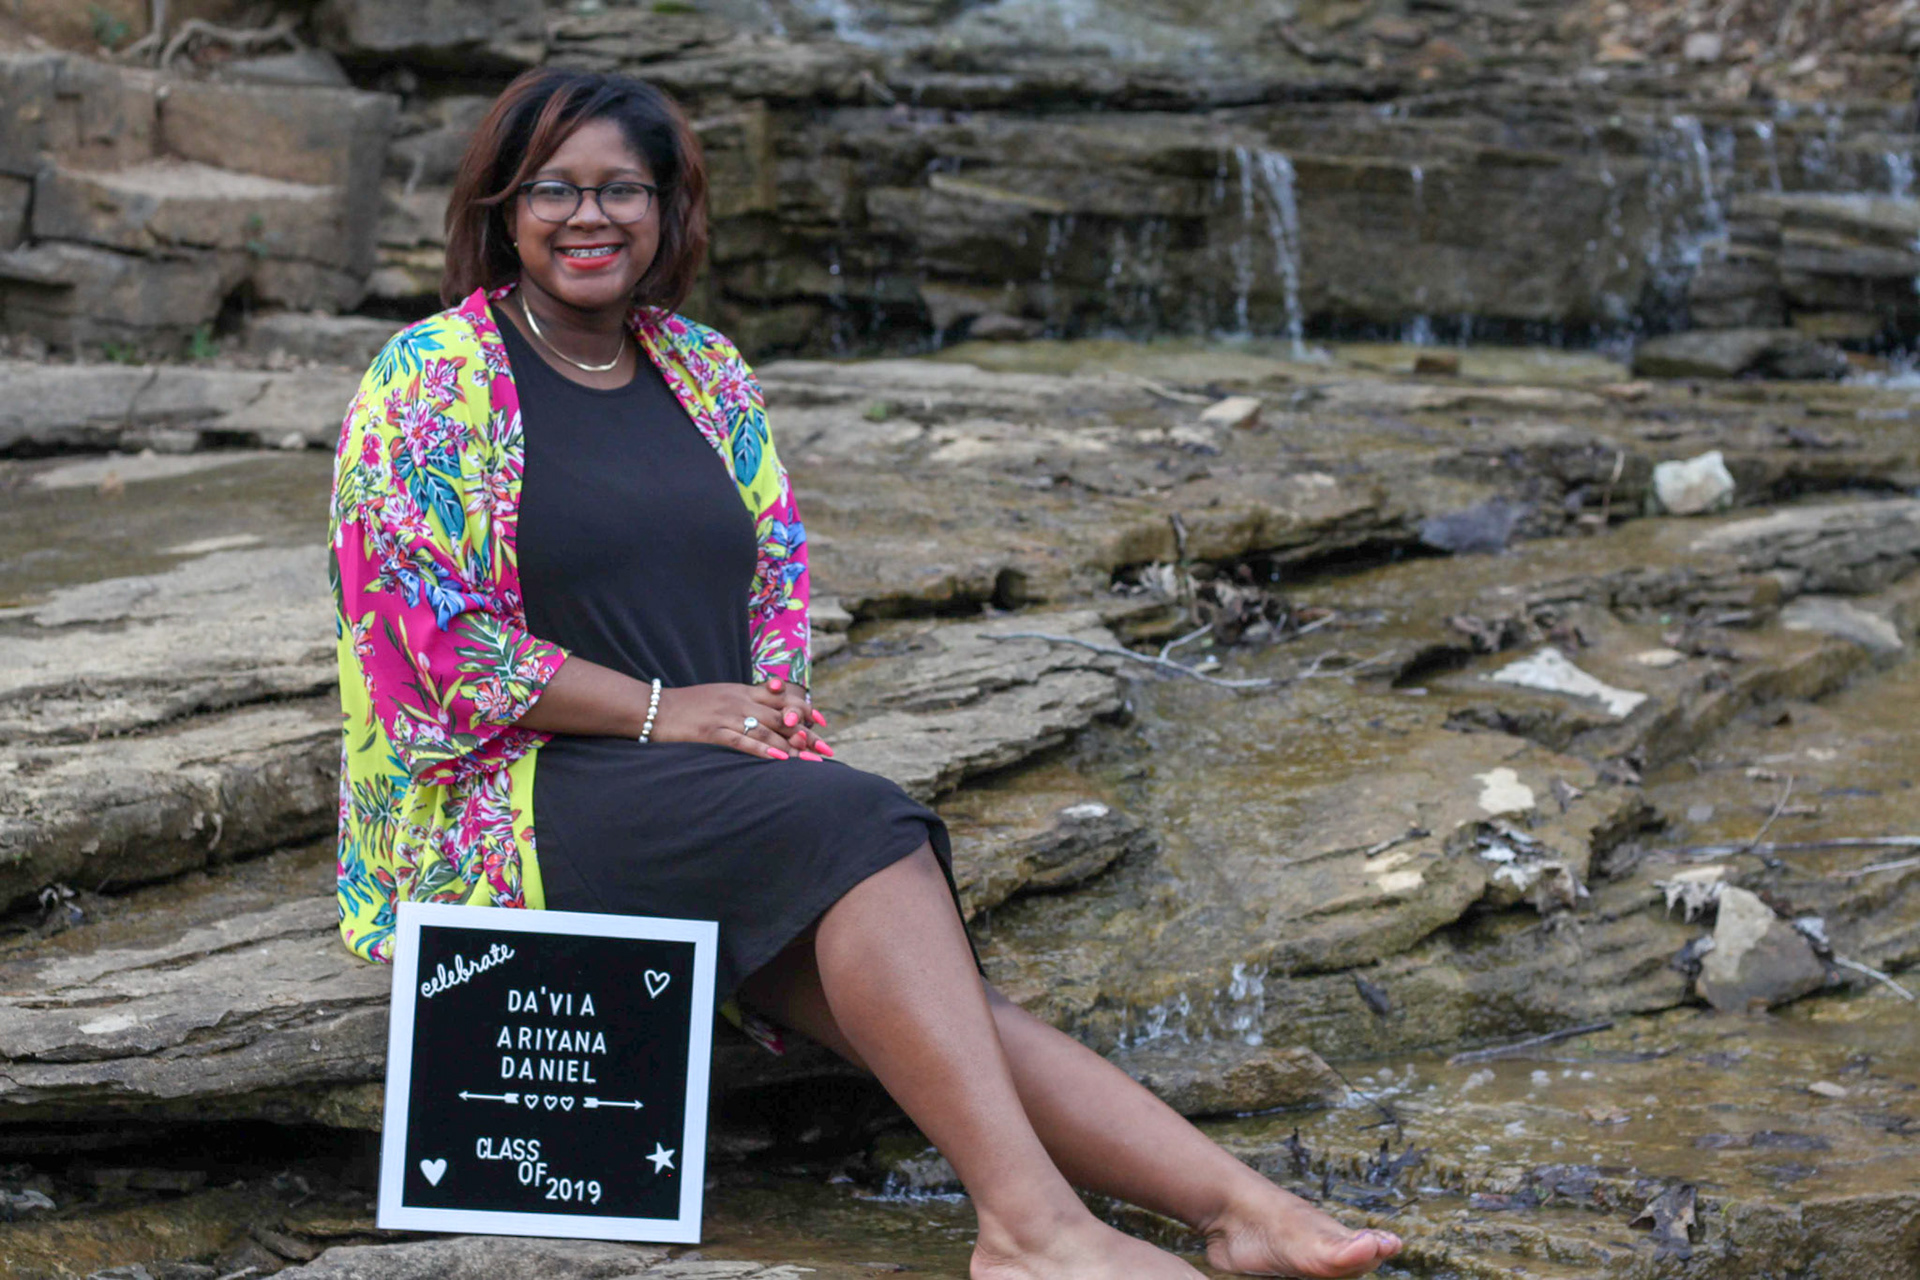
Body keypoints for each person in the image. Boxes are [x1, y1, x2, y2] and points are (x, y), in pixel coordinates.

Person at [328, 65, 1403, 1280]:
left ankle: (1238, 1208)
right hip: (517, 795)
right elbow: (426, 643)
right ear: (503, 207)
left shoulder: (704, 369)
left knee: (938, 1008)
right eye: (555, 190)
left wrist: (771, 701)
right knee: (865, 825)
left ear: (667, 207)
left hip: (698, 786)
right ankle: (1033, 1231)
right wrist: (666, 711)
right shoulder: (428, 377)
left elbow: (775, 576)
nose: (591, 217)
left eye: (622, 188)